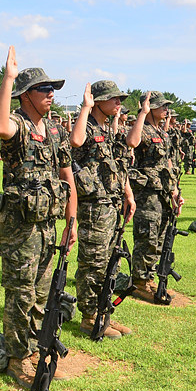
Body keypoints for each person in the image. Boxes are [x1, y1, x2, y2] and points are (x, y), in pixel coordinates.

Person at [0, 46, 77, 390]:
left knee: (43, 292)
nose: (51, 94)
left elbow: (67, 175)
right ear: (26, 95)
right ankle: (16, 356)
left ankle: (34, 346)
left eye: (53, 89)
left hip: (48, 224)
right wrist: (8, 79)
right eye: (44, 89)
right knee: (20, 292)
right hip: (19, 227)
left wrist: (72, 220)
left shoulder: (55, 131)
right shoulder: (19, 125)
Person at [69, 80, 140, 338]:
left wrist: (128, 193)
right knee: (93, 263)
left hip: (111, 204)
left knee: (111, 262)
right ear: (98, 101)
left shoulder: (110, 130)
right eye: (114, 98)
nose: (119, 103)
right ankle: (89, 317)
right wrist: (85, 108)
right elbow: (75, 141)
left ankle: (103, 313)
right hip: (92, 206)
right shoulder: (86, 126)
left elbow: (118, 166)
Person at [129, 91, 184, 303]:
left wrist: (174, 191)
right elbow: (132, 142)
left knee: (160, 238)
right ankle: (140, 283)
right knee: (147, 237)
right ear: (150, 108)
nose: (166, 109)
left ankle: (149, 278)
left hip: (162, 192)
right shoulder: (141, 129)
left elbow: (168, 164)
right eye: (161, 106)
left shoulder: (163, 133)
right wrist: (142, 114)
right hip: (147, 194)